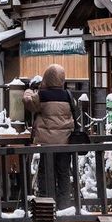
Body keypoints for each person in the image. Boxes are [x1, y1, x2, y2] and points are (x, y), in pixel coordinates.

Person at [23, 64, 75, 209]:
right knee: (63, 173)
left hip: (47, 143)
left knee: (45, 172)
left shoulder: (43, 96)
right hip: (65, 141)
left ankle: (46, 204)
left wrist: (28, 91)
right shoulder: (67, 95)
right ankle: (64, 206)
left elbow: (28, 103)